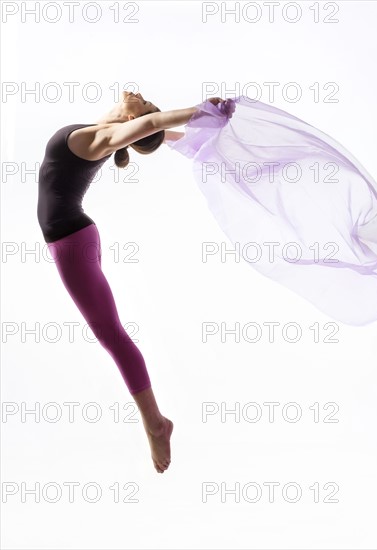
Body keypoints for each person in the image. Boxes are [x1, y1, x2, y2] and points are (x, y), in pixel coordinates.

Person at [37, 90, 228, 474]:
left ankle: (155, 424)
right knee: (111, 333)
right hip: (73, 237)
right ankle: (155, 421)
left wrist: (203, 112)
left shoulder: (100, 141)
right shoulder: (104, 133)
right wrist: (193, 135)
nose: (142, 97)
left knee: (112, 335)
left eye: (145, 106)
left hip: (71, 242)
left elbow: (154, 126)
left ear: (131, 123)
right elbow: (157, 133)